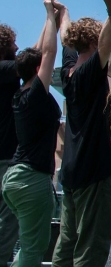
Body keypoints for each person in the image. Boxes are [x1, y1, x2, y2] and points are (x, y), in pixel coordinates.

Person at [52, 0, 111, 267]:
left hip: (70, 172)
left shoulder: (70, 71)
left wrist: (63, 13)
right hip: (91, 170)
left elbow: (64, 38)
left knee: (67, 243)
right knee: (91, 246)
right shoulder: (88, 74)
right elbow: (107, 45)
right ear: (96, 42)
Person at [2, 0, 61, 266]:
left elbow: (37, 54)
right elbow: (45, 54)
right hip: (27, 176)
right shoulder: (32, 92)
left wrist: (52, 22)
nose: (16, 47)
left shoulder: (19, 94)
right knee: (30, 247)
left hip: (14, 176)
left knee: (23, 243)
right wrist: (50, 15)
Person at [0, 23, 21, 264]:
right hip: (5, 158)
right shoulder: (5, 69)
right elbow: (34, 60)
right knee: (9, 220)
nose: (17, 47)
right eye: (12, 44)